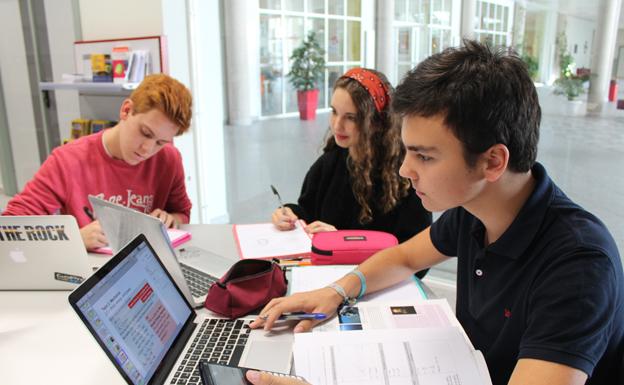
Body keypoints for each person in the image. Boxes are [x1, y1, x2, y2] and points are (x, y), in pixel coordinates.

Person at [248, 41, 624, 385]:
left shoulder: (579, 266)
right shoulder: (476, 210)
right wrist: (335, 292)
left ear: (493, 161)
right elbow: (405, 256)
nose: (404, 170)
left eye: (424, 156)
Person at [3, 74, 193, 251]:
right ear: (126, 110)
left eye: (160, 142)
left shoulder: (169, 159)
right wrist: (73, 238)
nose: (147, 149)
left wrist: (171, 219)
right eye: (145, 133)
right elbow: (12, 226)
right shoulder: (68, 160)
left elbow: (182, 212)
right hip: (89, 274)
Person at [271, 67, 431, 246]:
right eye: (334, 112)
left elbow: (415, 257)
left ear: (377, 123)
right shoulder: (329, 162)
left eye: (351, 118)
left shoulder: (405, 176)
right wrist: (289, 214)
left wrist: (344, 242)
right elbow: (307, 213)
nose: (337, 125)